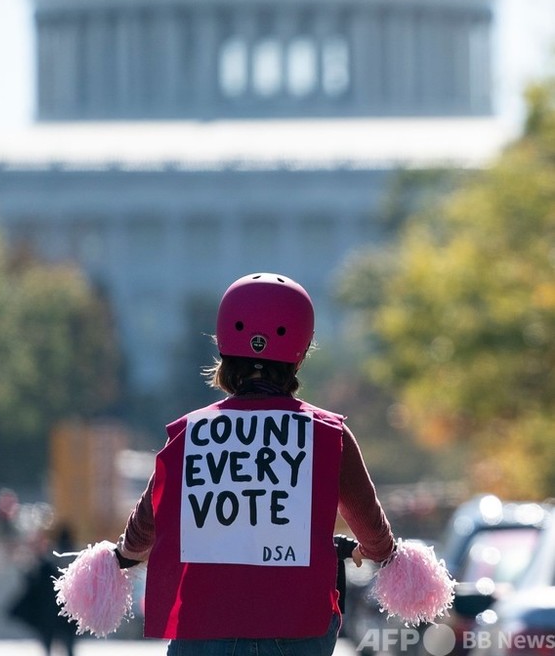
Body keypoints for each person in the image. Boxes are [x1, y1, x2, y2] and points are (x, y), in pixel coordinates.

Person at [114, 272, 395, 655]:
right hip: (299, 627)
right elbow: (373, 534)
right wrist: (378, 552)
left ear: (224, 347)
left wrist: (120, 558)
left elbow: (146, 525)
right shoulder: (329, 435)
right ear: (301, 349)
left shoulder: (190, 433)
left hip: (203, 626)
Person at [8, 524, 78, 655]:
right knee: (68, 646)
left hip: (47, 613)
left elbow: (32, 582)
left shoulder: (48, 562)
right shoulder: (73, 560)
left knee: (49, 645)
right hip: (66, 613)